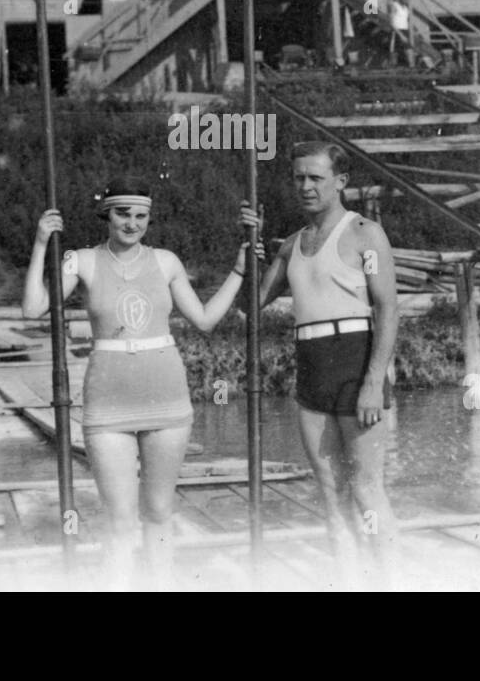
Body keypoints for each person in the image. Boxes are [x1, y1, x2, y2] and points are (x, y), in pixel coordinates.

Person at [23, 177, 261, 589]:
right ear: (106, 214)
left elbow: (204, 320)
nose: (131, 223)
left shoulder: (166, 261)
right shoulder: (80, 260)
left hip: (167, 400)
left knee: (158, 513)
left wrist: (239, 271)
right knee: (118, 520)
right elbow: (33, 309)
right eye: (122, 213)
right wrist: (42, 243)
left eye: (140, 216)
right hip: (108, 404)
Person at [251, 140, 400, 586]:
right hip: (312, 368)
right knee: (332, 495)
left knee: (366, 488)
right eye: (298, 177)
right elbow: (251, 309)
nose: (306, 186)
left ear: (340, 182)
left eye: (316, 178)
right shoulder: (291, 245)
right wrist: (248, 251)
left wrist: (374, 382)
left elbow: (389, 310)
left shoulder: (364, 234)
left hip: (356, 365)